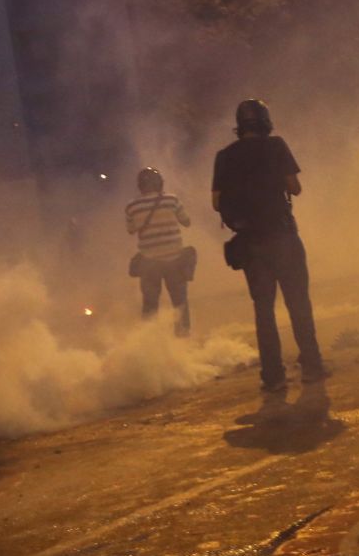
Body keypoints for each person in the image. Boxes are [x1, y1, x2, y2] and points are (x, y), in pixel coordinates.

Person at [212, 99, 329, 393]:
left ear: (239, 125)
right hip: (283, 237)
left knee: (264, 310)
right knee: (298, 303)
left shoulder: (224, 156)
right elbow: (294, 188)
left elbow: (216, 202)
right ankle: (312, 367)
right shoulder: (276, 146)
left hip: (251, 245)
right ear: (264, 121)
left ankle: (273, 376)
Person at [126, 166, 195, 337]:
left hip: (149, 263)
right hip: (175, 260)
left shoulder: (132, 206)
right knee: (180, 304)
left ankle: (151, 344)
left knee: (150, 306)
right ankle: (183, 341)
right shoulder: (171, 200)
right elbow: (186, 222)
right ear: (160, 183)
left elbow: (131, 229)